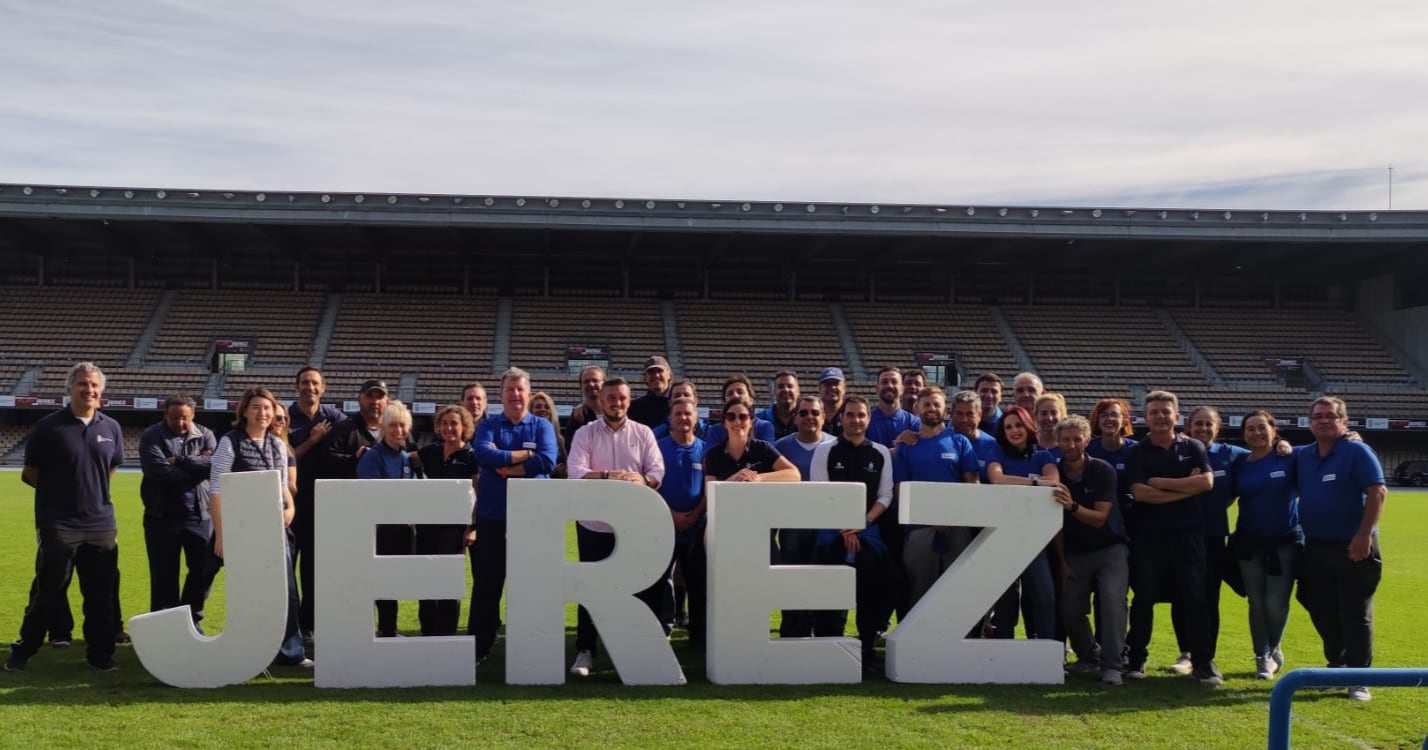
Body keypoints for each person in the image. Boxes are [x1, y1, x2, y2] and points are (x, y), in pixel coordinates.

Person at [6, 363, 125, 673]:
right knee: (50, 593)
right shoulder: (49, 427)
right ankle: (24, 649)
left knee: (100, 596)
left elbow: (108, 472)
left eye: (95, 385)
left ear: (102, 391)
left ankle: (100, 655)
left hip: (100, 523)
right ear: (70, 388)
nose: (90, 390)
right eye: (83, 384)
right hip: (59, 524)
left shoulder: (110, 427)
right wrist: (60, 497)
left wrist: (92, 496)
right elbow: (30, 474)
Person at [566, 377, 666, 677]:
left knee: (640, 589)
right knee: (590, 589)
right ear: (602, 400)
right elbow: (576, 473)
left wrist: (643, 480)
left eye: (622, 398)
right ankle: (585, 651)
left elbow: (657, 470)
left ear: (628, 400)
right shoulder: (585, 433)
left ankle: (637, 650)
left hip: (634, 525)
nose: (617, 402)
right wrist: (611, 476)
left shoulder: (643, 432)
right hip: (594, 525)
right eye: (611, 397)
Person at [1123, 390, 1220, 685]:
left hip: (1189, 536)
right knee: (1144, 598)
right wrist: (1184, 488)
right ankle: (1136, 660)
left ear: (1177, 416)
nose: (1160, 417)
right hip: (1149, 538)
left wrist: (1161, 485)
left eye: (1166, 412)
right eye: (1154, 412)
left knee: (1194, 598)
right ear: (1146, 417)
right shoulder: (1137, 452)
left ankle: (1203, 662)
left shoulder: (1192, 446)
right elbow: (1140, 493)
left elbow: (1206, 483)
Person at [209, 387, 310, 668]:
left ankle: (291, 652)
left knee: (287, 591)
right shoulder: (230, 442)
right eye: (256, 407)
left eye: (267, 408)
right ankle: (251, 650)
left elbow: (284, 487)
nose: (262, 413)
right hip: (244, 532)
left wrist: (291, 509)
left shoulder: (278, 445)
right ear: (244, 411)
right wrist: (221, 533)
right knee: (250, 593)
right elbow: (216, 489)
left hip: (277, 532)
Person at [1293, 396, 1387, 702]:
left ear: (1343, 422)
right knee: (1315, 602)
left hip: (1353, 546)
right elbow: (1268, 455)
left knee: (1355, 612)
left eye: (1330, 416)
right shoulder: (1304, 455)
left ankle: (1359, 678)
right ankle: (1337, 664)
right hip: (1316, 547)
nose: (1323, 420)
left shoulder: (1356, 450)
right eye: (1317, 416)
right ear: (1309, 423)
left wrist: (1363, 535)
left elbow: (1377, 491)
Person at [471, 367, 559, 662]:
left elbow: (548, 460)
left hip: (534, 517)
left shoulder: (542, 425)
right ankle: (478, 647)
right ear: (501, 395)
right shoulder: (489, 424)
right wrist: (525, 455)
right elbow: (483, 454)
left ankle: (535, 646)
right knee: (486, 584)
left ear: (529, 394)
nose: (515, 395)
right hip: (493, 516)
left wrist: (506, 467)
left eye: (520, 389)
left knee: (535, 583)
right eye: (510, 389)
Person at [808, 396, 895, 672]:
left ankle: (867, 649)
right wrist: (843, 527)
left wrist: (863, 522)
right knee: (831, 589)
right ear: (841, 418)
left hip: (868, 532)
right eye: (850, 415)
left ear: (868, 419)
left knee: (871, 590)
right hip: (832, 532)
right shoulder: (825, 450)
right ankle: (827, 647)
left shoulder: (880, 452)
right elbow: (820, 492)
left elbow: (885, 495)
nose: (856, 420)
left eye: (861, 415)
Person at [1050, 415, 1129, 686]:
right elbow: (1055, 524)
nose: (1071, 444)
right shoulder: (1055, 472)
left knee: (1111, 602)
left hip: (1110, 547)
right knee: (1070, 608)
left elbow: (1099, 518)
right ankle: (1088, 656)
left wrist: (1072, 506)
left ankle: (1113, 666)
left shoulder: (1103, 469)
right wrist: (1062, 561)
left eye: (1076, 439)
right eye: (1065, 439)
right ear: (1057, 441)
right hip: (1074, 550)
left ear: (1087, 440)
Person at [1170, 406, 1249, 676]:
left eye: (1208, 424)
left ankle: (1206, 655)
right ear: (1189, 426)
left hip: (1213, 536)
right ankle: (1186, 653)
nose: (1203, 429)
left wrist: (1283, 444)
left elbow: (1266, 454)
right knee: (1181, 595)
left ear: (1218, 428)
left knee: (1208, 598)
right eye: (1198, 424)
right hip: (1179, 534)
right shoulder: (1178, 450)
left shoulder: (1231, 454)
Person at [893, 387, 980, 611]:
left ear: (946, 409)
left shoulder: (960, 442)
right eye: (927, 404)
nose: (932, 409)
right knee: (919, 592)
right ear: (916, 408)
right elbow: (899, 491)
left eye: (936, 404)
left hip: (957, 527)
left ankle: (958, 644)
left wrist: (952, 516)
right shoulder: (906, 446)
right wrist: (932, 516)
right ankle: (918, 645)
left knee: (958, 591)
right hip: (920, 528)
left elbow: (972, 485)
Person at [1231, 409, 1301, 681]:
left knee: (1276, 602)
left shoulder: (1291, 456)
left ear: (1274, 430)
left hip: (1284, 541)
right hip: (1249, 541)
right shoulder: (1240, 462)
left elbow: (1323, 447)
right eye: (1251, 429)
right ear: (1244, 434)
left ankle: (1274, 648)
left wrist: (1351, 437)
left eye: (1262, 427)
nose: (1257, 433)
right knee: (1256, 602)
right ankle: (1263, 655)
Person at [138, 395, 217, 631]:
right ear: (166, 415)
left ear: (193, 416)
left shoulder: (206, 434)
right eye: (175, 417)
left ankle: (192, 617)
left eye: (185, 418)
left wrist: (179, 461)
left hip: (200, 515)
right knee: (164, 573)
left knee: (204, 569)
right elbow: (157, 471)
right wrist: (195, 467)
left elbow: (213, 466)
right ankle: (166, 624)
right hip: (161, 516)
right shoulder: (152, 435)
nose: (180, 423)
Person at [985, 405, 1059, 641]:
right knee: (1006, 600)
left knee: (1044, 596)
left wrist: (1021, 483)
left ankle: (1049, 650)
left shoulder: (1043, 456)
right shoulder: (997, 453)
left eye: (1018, 425)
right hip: (1002, 537)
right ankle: (1003, 649)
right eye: (1008, 427)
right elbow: (997, 479)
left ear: (1028, 425)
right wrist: (1036, 484)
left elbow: (1054, 481)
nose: (1014, 430)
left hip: (1034, 538)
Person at [286, 366, 348, 638]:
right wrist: (312, 441)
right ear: (296, 386)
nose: (309, 387)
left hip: (321, 505)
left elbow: (355, 433)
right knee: (286, 569)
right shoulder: (285, 417)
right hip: (289, 504)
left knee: (313, 569)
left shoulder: (334, 416)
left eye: (314, 383)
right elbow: (283, 460)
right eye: (304, 382)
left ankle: (308, 625)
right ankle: (287, 626)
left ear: (323, 388)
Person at [772, 394, 837, 638]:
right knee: (792, 579)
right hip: (792, 526)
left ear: (824, 417)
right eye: (803, 412)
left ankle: (822, 632)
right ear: (795, 418)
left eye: (814, 412)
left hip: (825, 527)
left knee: (821, 581)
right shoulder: (781, 447)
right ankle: (792, 629)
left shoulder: (836, 445)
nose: (809, 416)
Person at [415, 405, 480, 637]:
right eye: (444, 423)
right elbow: (398, 457)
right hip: (426, 528)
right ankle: (427, 634)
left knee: (448, 583)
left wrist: (472, 528)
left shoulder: (471, 456)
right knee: (425, 582)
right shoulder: (430, 451)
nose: (449, 428)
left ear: (464, 427)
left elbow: (478, 494)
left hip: (454, 530)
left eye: (454, 423)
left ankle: (446, 635)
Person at [356, 401, 420, 637]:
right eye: (393, 425)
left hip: (400, 530)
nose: (399, 431)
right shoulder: (372, 457)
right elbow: (370, 497)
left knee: (391, 583)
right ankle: (380, 629)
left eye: (403, 426)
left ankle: (387, 629)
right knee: (377, 582)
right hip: (378, 531)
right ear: (383, 427)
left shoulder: (405, 457)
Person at [657, 396, 710, 650]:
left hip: (697, 528)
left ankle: (698, 636)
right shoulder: (659, 447)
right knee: (661, 581)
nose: (683, 418)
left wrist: (696, 513)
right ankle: (663, 629)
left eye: (688, 413)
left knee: (698, 583)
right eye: (677, 413)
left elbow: (709, 489)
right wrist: (672, 514)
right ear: (670, 418)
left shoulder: (705, 449)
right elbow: (652, 485)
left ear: (696, 418)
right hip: (666, 524)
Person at [703, 374, 776, 446]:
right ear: (725, 402)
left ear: (751, 399)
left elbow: (769, 457)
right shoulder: (714, 431)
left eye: (740, 392)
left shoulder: (764, 427)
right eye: (730, 393)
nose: (735, 395)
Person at [868, 366, 921, 449]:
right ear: (877, 388)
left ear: (902, 389)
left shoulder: (915, 423)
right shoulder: (866, 421)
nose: (889, 385)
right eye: (884, 382)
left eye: (894, 382)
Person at [529, 391, 568, 478]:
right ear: (530, 411)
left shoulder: (560, 441)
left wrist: (565, 469)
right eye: (538, 407)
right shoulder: (525, 436)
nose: (543, 409)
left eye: (547, 407)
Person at [564, 366, 605, 447]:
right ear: (581, 387)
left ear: (604, 384)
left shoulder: (618, 411)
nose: (591, 384)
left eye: (595, 380)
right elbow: (571, 447)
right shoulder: (578, 417)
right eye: (586, 381)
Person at [629, 355, 673, 428]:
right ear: (645, 378)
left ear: (669, 375)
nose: (656, 375)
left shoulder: (679, 402)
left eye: (660, 370)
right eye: (651, 372)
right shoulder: (635, 408)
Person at [757, 370, 801, 440]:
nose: (786, 390)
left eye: (790, 386)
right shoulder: (760, 419)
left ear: (798, 391)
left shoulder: (807, 419)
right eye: (781, 386)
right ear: (774, 391)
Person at [818, 367, 847, 437]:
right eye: (827, 384)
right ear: (820, 388)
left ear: (844, 387)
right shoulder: (813, 415)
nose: (832, 387)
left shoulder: (851, 415)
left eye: (836, 383)